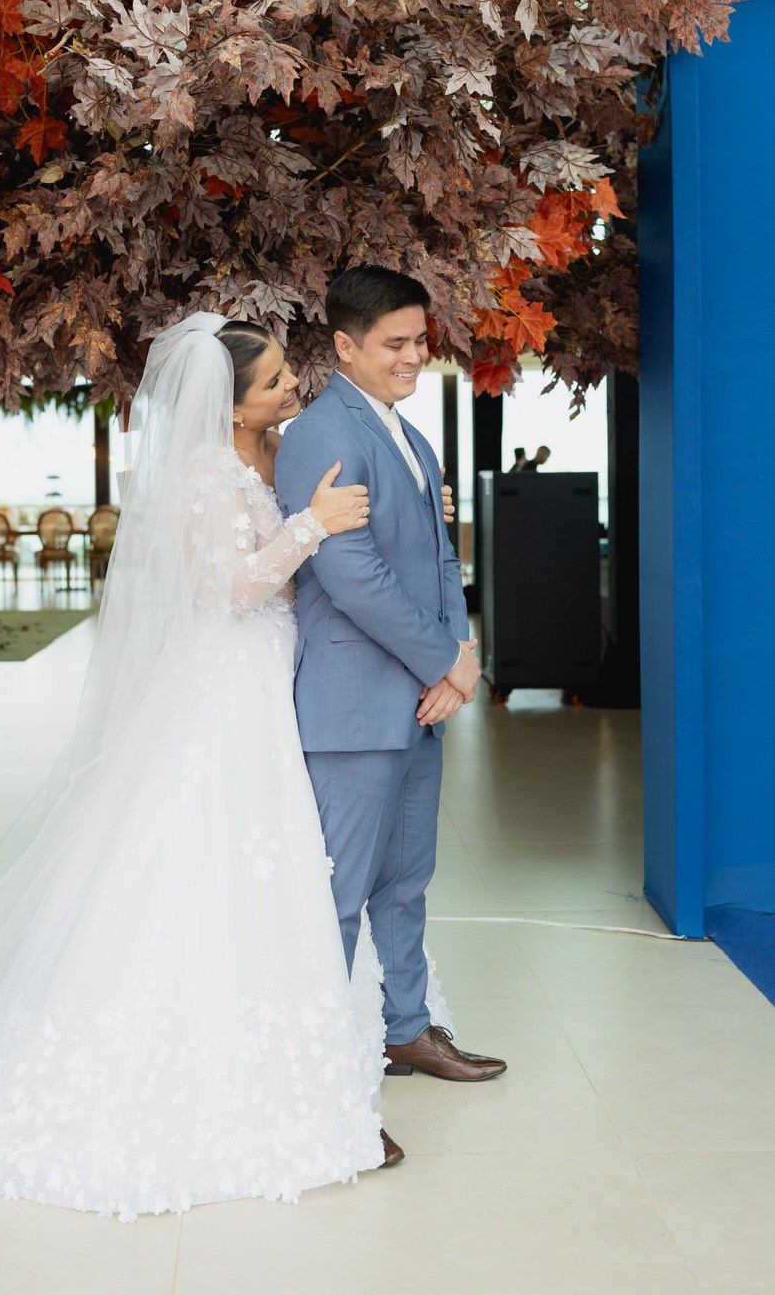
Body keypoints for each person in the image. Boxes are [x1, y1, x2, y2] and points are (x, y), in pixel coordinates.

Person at [0, 314, 453, 1217]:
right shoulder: (197, 477)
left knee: (272, 855)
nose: (289, 390)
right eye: (272, 383)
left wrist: (350, 522)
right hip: (223, 683)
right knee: (201, 844)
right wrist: (308, 529)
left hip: (271, 677)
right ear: (228, 406)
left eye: (288, 376)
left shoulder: (274, 454)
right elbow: (230, 587)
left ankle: (295, 1021)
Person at [276, 267, 507, 1083]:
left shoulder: (409, 435)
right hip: (350, 708)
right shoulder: (318, 432)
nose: (414, 358)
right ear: (344, 345)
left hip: (417, 704)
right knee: (336, 901)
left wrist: (460, 657)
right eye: (395, 344)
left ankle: (404, 1030)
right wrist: (445, 660)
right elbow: (351, 575)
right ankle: (318, 1076)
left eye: (420, 340)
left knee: (406, 883)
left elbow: (441, 560)